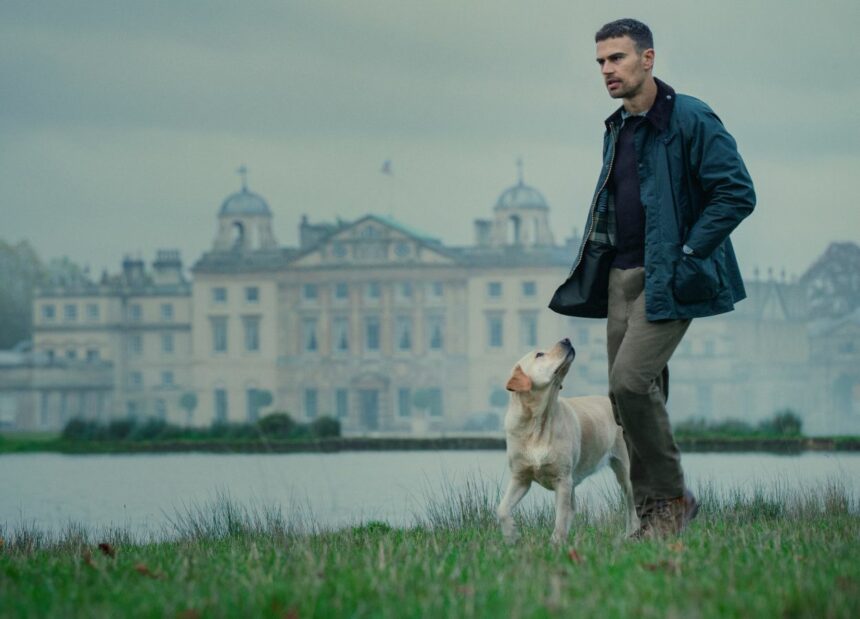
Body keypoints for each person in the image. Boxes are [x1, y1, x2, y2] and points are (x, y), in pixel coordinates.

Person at [549, 18, 755, 538]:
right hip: (621, 278)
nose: (606, 70)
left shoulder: (690, 118)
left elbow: (736, 192)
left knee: (629, 382)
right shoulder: (617, 126)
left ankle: (672, 497)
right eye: (600, 62)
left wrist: (689, 251)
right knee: (628, 399)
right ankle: (653, 517)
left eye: (616, 58)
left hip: (672, 276)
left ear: (648, 59)